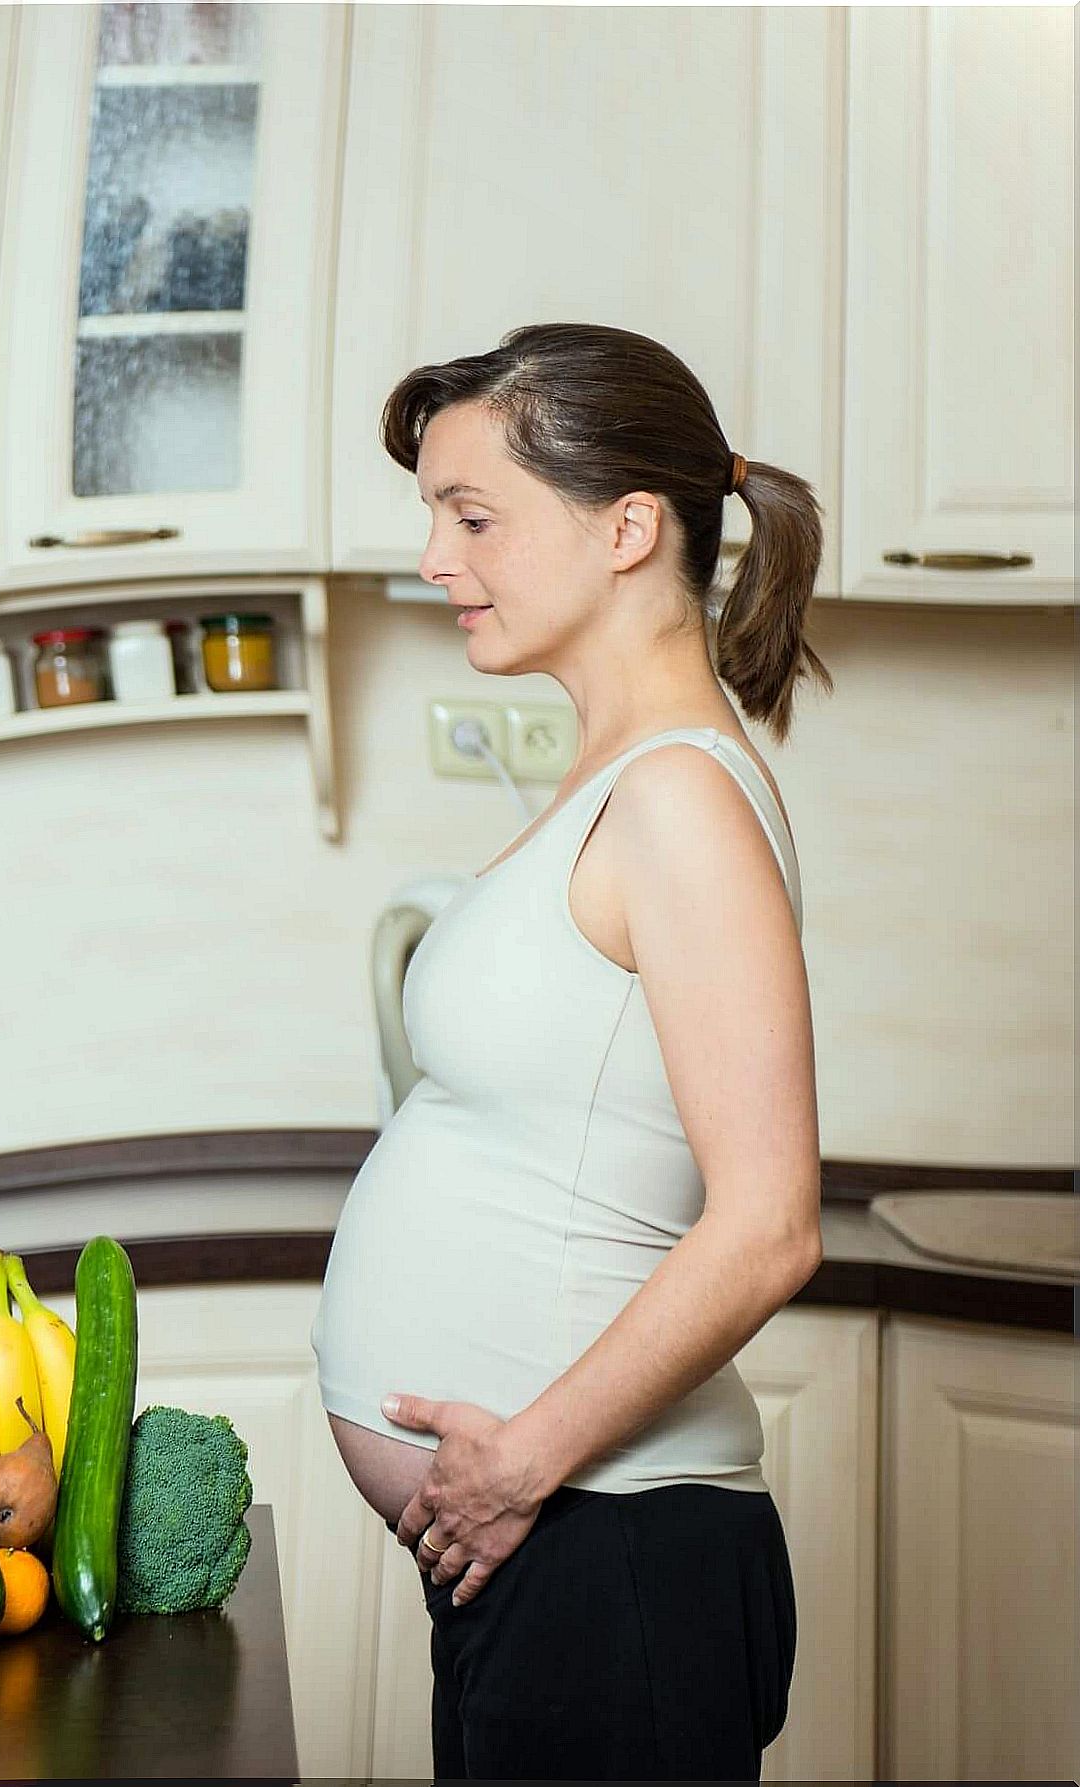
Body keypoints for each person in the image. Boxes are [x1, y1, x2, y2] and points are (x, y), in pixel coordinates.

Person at [311, 322, 830, 1779]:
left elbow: (771, 1226)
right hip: (552, 1555)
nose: (433, 560)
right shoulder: (616, 779)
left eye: (472, 517)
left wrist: (521, 1459)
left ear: (627, 529)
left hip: (612, 1557)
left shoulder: (679, 800)